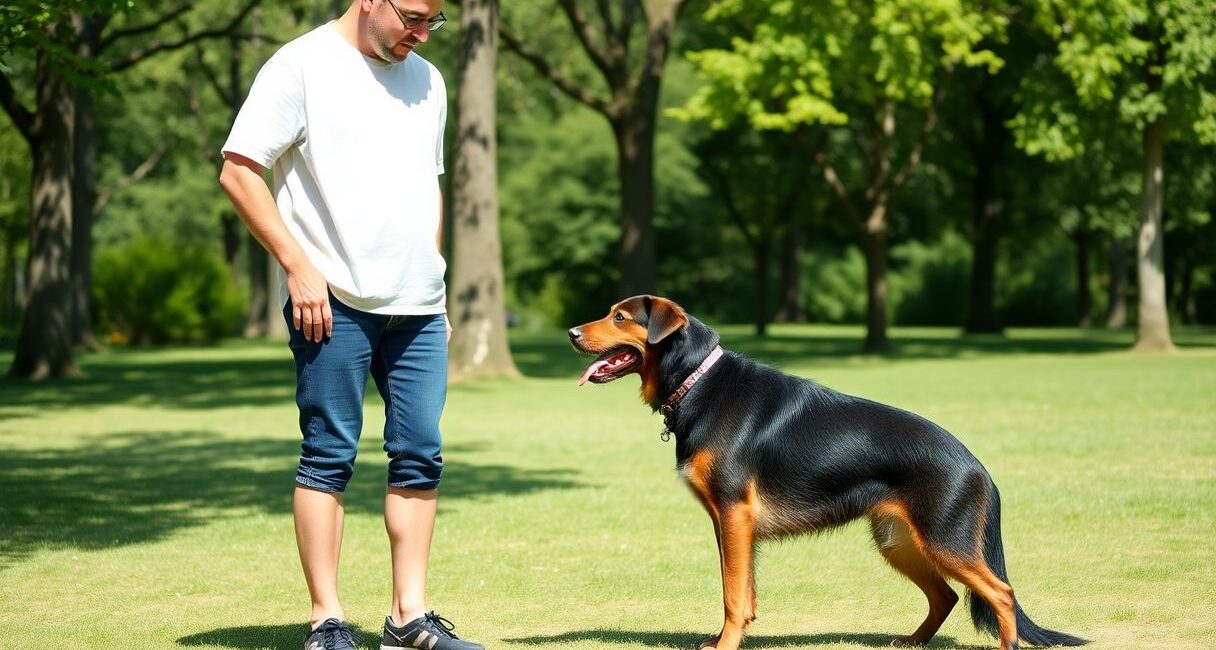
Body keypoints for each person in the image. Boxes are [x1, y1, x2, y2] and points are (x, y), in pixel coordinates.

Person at [218, 1, 482, 649]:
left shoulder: (429, 79)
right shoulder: (300, 66)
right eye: (414, 17)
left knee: (421, 453)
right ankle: (326, 621)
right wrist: (296, 265)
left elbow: (431, 186)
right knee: (329, 454)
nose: (421, 35)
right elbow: (238, 170)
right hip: (331, 301)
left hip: (418, 307)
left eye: (434, 22)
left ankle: (408, 620)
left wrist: (437, 288)